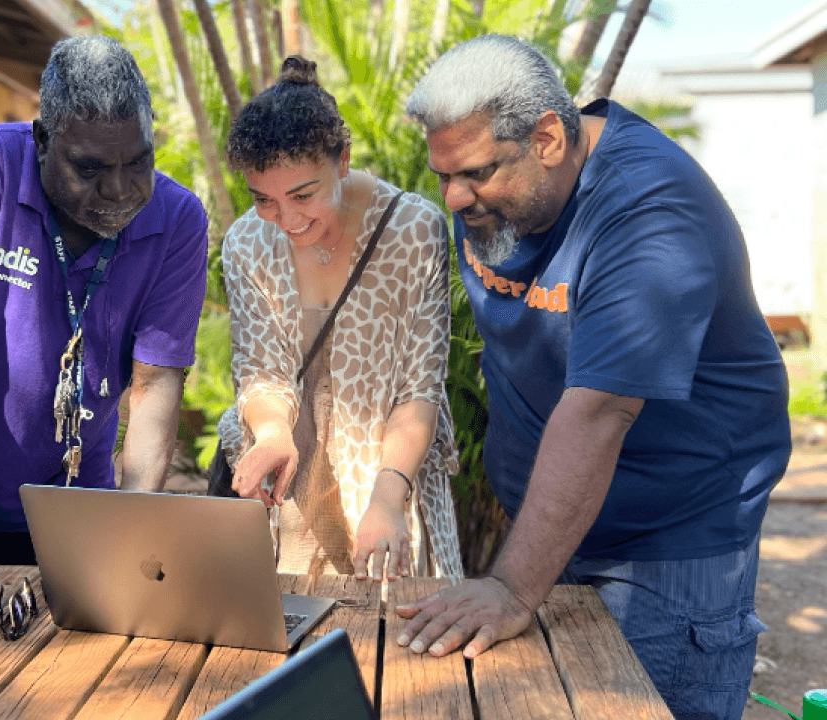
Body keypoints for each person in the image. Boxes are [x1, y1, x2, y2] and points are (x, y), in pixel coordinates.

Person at [394, 34, 790, 720]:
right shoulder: (500, 191)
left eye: (477, 175)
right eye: (443, 176)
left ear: (547, 138)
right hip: (552, 529)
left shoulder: (651, 213)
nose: (455, 200)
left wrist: (513, 589)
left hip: (667, 541)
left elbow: (600, 411)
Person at [0, 36, 208, 592]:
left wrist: (129, 533)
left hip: (71, 513)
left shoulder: (178, 222)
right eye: (91, 167)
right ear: (43, 140)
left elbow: (155, 384)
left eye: (139, 160)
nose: (119, 188)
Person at [216, 56, 463, 583]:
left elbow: (419, 391)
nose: (287, 218)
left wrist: (388, 497)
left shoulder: (414, 230)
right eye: (264, 199)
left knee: (399, 644)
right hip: (291, 491)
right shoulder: (245, 243)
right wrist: (271, 434)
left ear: (342, 159)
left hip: (390, 481)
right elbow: (260, 371)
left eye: (303, 195)